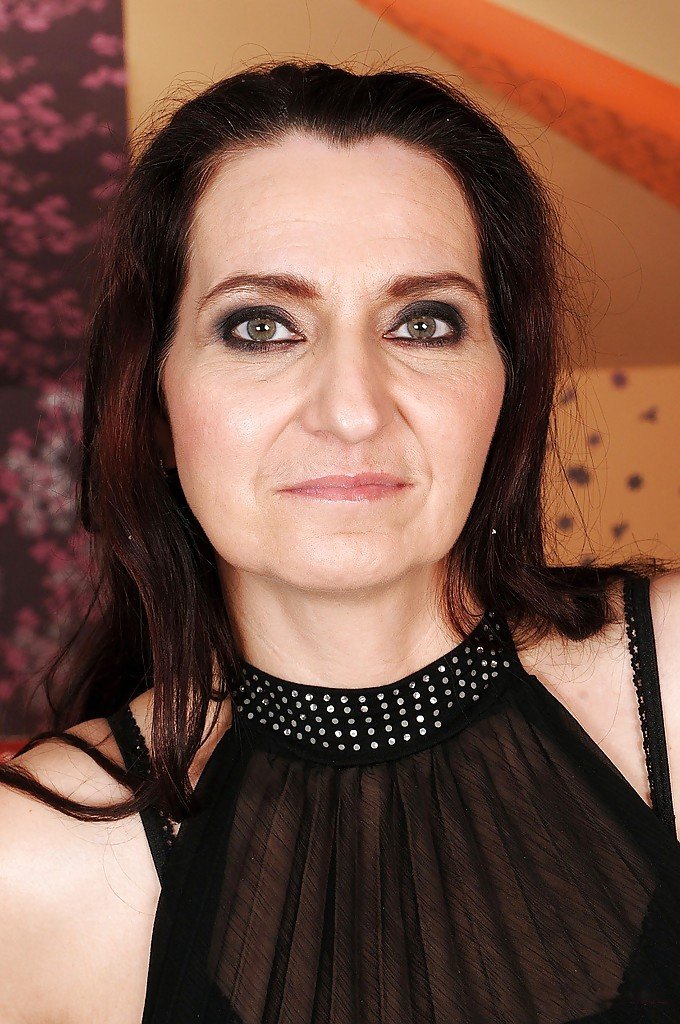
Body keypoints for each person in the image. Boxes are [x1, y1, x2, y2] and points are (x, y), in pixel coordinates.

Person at [0, 59, 679, 1024]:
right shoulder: (30, 864)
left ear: (507, 386)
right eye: (261, 328)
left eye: (424, 323)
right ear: (151, 403)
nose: (354, 411)